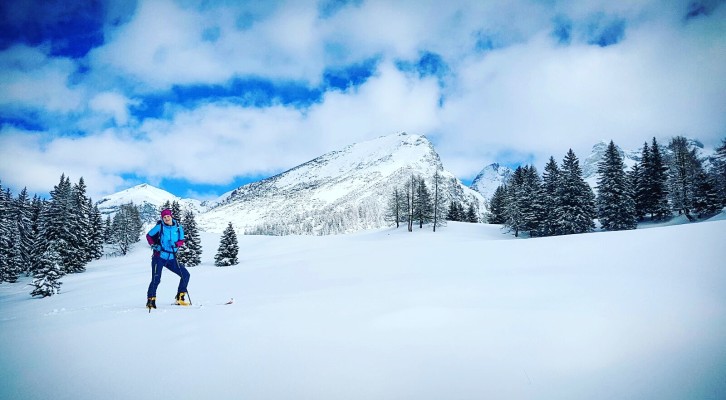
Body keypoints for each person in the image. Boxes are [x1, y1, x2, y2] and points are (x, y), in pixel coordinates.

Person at [145, 209, 190, 309]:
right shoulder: (160, 226)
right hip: (159, 257)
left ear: (171, 216)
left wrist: (176, 244)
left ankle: (180, 298)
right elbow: (148, 236)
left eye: (168, 216)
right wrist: (154, 245)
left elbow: (182, 240)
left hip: (172, 258)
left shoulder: (178, 227)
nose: (166, 218)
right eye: (164, 217)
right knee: (156, 279)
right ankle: (150, 301)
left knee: (185, 275)